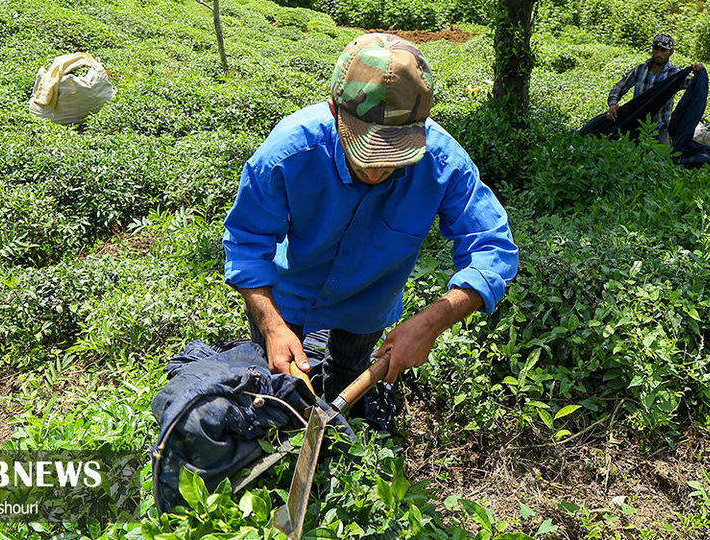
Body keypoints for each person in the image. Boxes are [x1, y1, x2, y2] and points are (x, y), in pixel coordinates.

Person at [222, 33, 518, 405]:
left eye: (395, 153)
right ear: (334, 111)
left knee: (349, 377)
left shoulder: (444, 163)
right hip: (287, 294)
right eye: (364, 149)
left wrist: (431, 321)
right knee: (278, 392)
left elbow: (493, 248)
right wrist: (271, 325)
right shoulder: (287, 153)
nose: (377, 171)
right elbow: (247, 241)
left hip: (369, 303)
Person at [606, 33, 705, 146]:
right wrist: (613, 104)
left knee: (660, 159)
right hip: (635, 126)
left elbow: (694, 84)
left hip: (660, 128)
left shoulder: (674, 74)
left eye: (663, 51)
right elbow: (621, 86)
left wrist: (699, 72)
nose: (659, 54)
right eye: (656, 49)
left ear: (671, 52)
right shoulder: (640, 70)